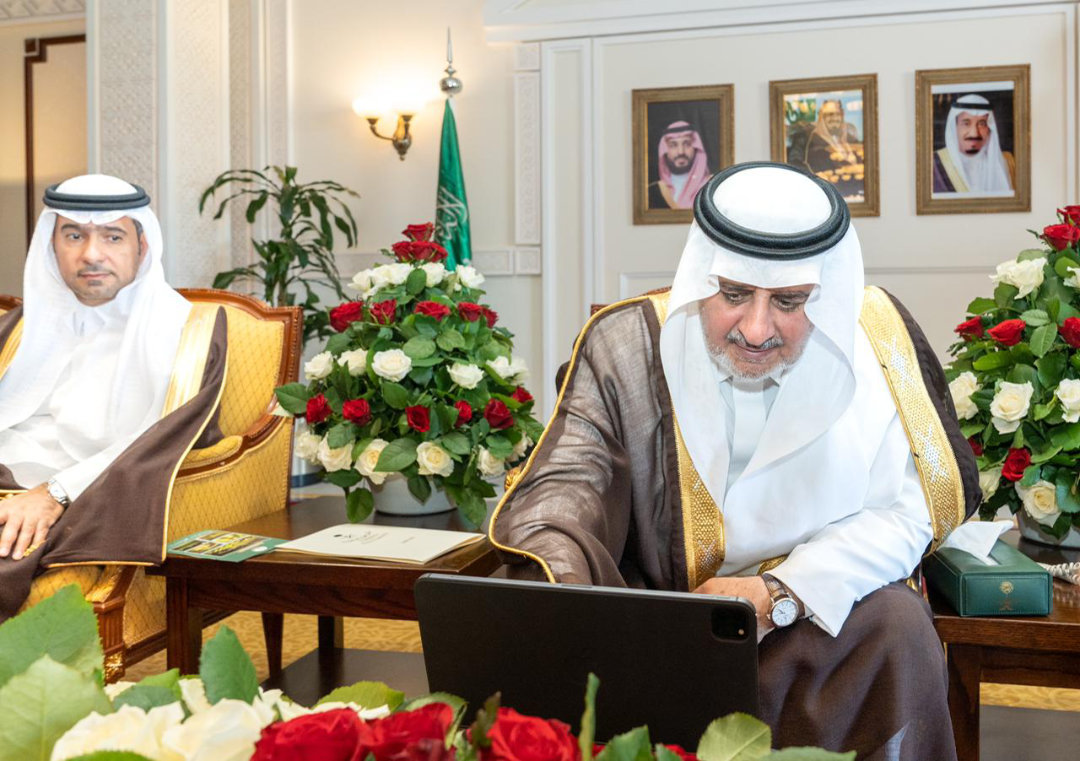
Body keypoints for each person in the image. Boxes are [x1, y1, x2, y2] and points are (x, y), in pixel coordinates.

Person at [491, 162, 979, 760]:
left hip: (816, 615)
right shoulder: (628, 344)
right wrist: (563, 576)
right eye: (734, 294)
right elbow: (570, 481)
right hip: (667, 617)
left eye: (789, 301)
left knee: (897, 626)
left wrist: (780, 592)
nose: (755, 328)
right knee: (527, 590)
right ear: (704, 278)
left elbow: (908, 511)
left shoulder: (879, 342)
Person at [0, 174, 228, 620]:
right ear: (51, 245)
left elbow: (162, 440)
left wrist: (54, 493)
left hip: (84, 497)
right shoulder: (17, 329)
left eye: (112, 236)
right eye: (73, 236)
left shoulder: (189, 334)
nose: (91, 254)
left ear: (142, 246)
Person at [932, 93, 1015, 195]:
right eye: (966, 123)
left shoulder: (1009, 162)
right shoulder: (934, 164)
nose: (974, 133)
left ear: (989, 128)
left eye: (982, 124)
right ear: (954, 127)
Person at [787, 99, 863, 200]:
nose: (834, 118)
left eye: (837, 114)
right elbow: (794, 163)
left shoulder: (850, 138)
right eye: (829, 115)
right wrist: (815, 178)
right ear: (821, 117)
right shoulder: (806, 139)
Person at [648, 120, 710, 209]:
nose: (681, 152)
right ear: (665, 150)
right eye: (673, 145)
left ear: (696, 148)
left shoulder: (711, 185)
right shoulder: (652, 190)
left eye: (687, 144)